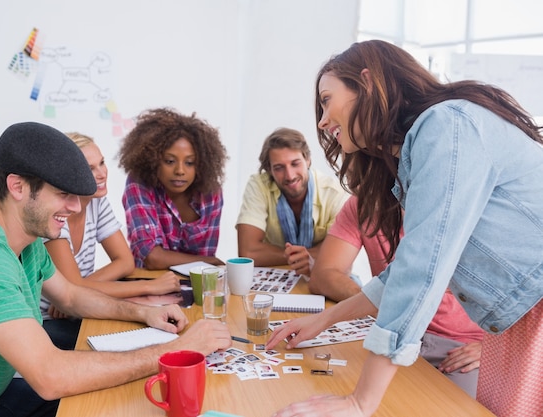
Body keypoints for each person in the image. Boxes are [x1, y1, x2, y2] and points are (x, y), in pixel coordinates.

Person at [267, 39, 543, 417]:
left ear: (366, 82)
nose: (322, 120)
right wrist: (324, 319)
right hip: (515, 323)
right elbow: (403, 274)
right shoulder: (421, 146)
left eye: (327, 99)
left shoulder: (446, 124)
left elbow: (421, 267)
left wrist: (360, 402)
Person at [0, 122, 231, 417]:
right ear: (17, 186)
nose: (77, 207)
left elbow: (69, 296)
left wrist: (144, 314)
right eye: (63, 194)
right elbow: (50, 376)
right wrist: (176, 351)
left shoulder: (23, 240)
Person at [309, 195, 484, 397]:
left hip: (460, 347)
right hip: (396, 334)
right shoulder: (364, 203)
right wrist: (369, 304)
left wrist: (490, 349)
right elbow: (324, 275)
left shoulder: (457, 202)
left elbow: (522, 292)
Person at [42, 132, 181, 350]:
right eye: (90, 168)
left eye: (102, 163)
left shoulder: (96, 201)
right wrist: (150, 286)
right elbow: (73, 289)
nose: (101, 174)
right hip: (49, 322)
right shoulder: (56, 216)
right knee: (139, 342)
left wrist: (81, 289)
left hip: (79, 308)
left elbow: (125, 261)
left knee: (155, 332)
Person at [118, 107, 228, 269]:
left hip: (193, 282)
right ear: (153, 160)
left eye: (190, 163)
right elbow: (152, 258)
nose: (180, 171)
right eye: (170, 161)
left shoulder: (211, 193)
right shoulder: (139, 185)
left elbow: (205, 257)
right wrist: (208, 262)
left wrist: (205, 262)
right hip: (147, 283)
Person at [236, 127, 348, 275]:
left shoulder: (334, 193)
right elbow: (248, 252)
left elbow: (340, 255)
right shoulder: (259, 185)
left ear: (308, 160)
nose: (289, 175)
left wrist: (281, 255)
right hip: (277, 278)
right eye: (279, 168)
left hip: (320, 274)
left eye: (295, 164)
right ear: (269, 170)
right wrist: (304, 256)